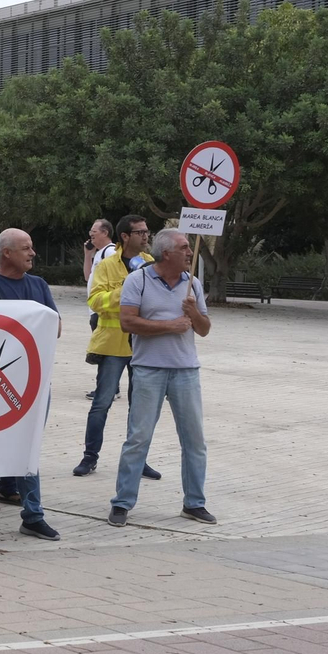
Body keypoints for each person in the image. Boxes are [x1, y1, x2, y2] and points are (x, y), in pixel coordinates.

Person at [109, 229, 215, 528]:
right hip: (148, 370)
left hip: (186, 371)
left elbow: (204, 329)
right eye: (184, 248)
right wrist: (169, 325)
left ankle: (195, 503)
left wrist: (194, 312)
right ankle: (122, 503)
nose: (189, 253)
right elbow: (127, 322)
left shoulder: (192, 283)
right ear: (166, 253)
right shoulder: (138, 280)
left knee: (194, 440)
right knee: (138, 438)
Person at [0, 228, 63, 544]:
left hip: (35, 385)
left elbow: (56, 326)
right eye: (26, 248)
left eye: (32, 247)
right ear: (6, 253)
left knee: (29, 449)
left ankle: (33, 517)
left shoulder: (39, 285)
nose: (33, 253)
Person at [75, 215, 160, 481]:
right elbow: (95, 300)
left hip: (144, 345)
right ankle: (90, 457)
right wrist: (127, 289)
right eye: (141, 232)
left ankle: (139, 459)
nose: (146, 237)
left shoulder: (150, 264)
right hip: (113, 345)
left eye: (147, 232)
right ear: (125, 236)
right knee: (101, 403)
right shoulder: (107, 264)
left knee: (141, 407)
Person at [82, 218, 116, 400]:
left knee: (104, 352)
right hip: (95, 309)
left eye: (94, 231)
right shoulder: (100, 253)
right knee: (104, 352)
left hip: (102, 310)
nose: (91, 234)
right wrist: (88, 254)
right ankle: (111, 387)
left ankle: (107, 389)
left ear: (105, 232)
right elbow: (88, 278)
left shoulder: (110, 252)